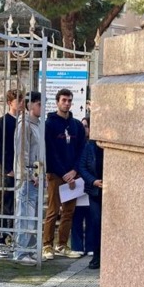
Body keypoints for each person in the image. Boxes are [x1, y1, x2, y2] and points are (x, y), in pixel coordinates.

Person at [42, 89, 86, 259]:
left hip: (73, 174)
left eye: (69, 100)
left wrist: (74, 171)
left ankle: (62, 245)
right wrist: (63, 172)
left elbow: (82, 149)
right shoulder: (49, 124)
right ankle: (47, 245)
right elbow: (50, 151)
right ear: (57, 102)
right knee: (53, 210)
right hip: (55, 173)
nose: (67, 103)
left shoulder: (76, 125)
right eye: (64, 100)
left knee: (69, 211)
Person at [0, 89, 25, 255]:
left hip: (20, 170)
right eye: (18, 101)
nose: (21, 104)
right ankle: (0, 239)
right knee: (6, 204)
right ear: (9, 103)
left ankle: (13, 238)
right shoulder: (3, 122)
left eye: (23, 101)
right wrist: (7, 169)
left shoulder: (22, 122)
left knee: (19, 205)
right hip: (9, 172)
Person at [13, 91, 45, 264]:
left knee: (34, 214)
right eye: (40, 104)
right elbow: (22, 153)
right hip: (28, 177)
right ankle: (20, 252)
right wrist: (28, 173)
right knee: (25, 214)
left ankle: (30, 249)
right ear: (30, 105)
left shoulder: (37, 124)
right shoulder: (24, 125)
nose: (42, 107)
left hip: (37, 175)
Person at [78, 118, 104, 270]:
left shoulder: (111, 147)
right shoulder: (89, 146)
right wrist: (93, 181)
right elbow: (82, 166)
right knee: (96, 223)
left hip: (111, 191)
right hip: (95, 191)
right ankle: (96, 257)